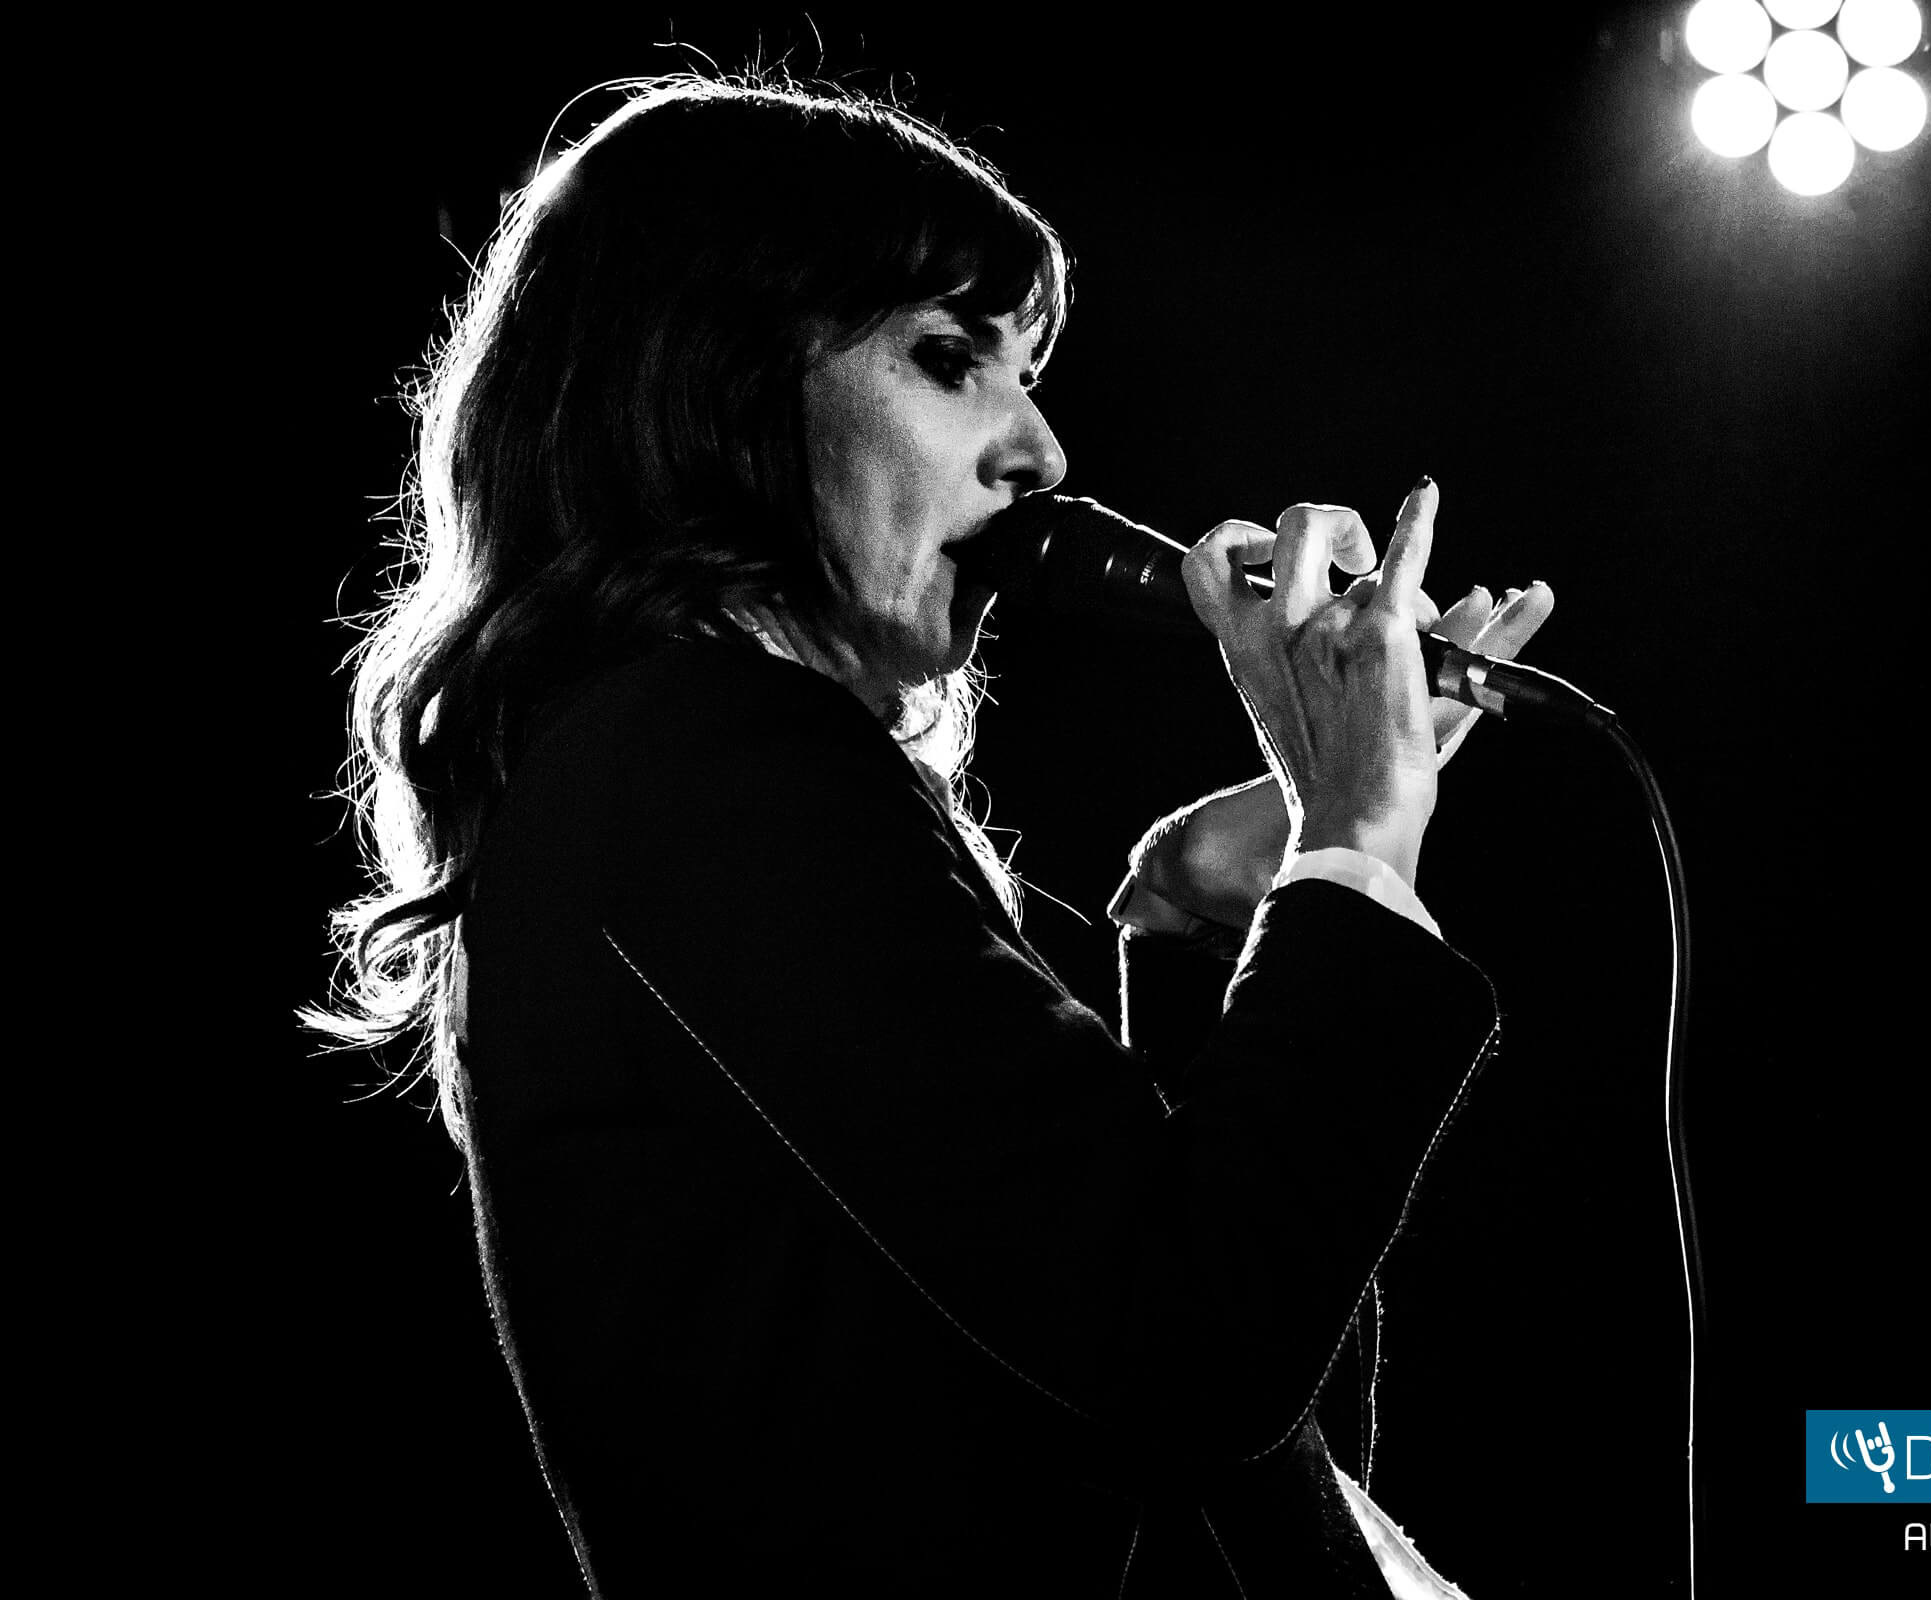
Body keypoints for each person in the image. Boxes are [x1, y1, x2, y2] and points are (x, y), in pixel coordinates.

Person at [312, 74, 1554, 1598]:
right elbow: (1187, 1359)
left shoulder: (690, 774)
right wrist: (1358, 840)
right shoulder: (702, 765)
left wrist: (1219, 918)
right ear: (715, 380)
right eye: (949, 358)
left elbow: (1220, 1432)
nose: (1041, 449)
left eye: (1029, 372)